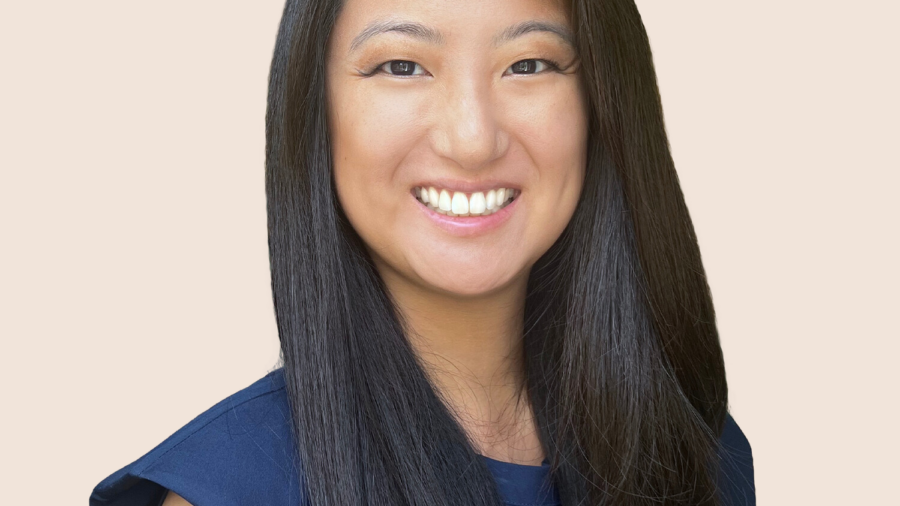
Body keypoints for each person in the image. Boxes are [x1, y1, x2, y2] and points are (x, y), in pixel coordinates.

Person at [91, 0, 755, 504]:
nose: (472, 138)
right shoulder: (229, 488)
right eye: (401, 66)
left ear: (603, 104)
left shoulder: (700, 453)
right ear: (315, 108)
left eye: (529, 64)